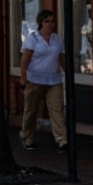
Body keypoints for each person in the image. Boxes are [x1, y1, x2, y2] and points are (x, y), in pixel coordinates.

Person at [19, 8, 68, 152]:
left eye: (52, 21)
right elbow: (25, 59)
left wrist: (66, 72)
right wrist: (23, 78)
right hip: (34, 79)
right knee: (31, 110)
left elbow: (60, 57)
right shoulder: (33, 38)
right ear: (41, 23)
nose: (50, 24)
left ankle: (62, 140)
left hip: (54, 80)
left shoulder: (57, 39)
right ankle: (27, 137)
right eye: (47, 21)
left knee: (57, 110)